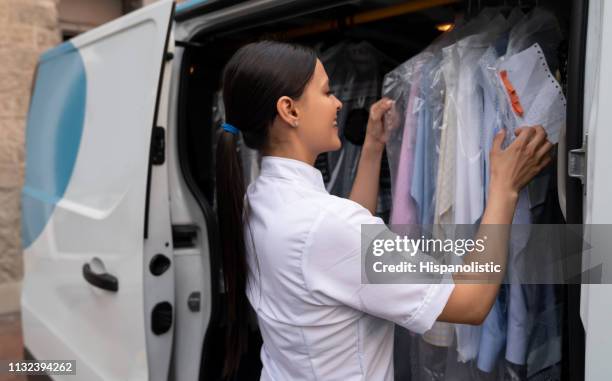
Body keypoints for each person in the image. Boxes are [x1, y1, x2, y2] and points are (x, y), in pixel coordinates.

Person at [214, 40, 552, 380]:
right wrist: (503, 189)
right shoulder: (326, 226)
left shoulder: (257, 200)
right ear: (290, 110)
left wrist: (374, 146)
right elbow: (471, 301)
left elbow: (342, 257)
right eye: (326, 92)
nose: (337, 103)